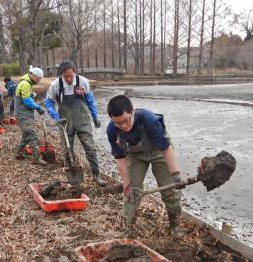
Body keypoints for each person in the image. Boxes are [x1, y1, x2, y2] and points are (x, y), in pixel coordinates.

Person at [106, 95, 183, 239]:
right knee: (132, 193)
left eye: (126, 120)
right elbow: (120, 158)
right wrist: (126, 183)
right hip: (135, 155)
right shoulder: (112, 130)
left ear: (132, 111)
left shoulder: (149, 120)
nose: (123, 126)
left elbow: (166, 148)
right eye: (118, 123)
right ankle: (127, 227)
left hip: (159, 152)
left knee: (170, 190)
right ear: (112, 120)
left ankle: (175, 224)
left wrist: (175, 174)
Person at [44, 60, 107, 186]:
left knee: (90, 148)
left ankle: (96, 175)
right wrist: (55, 115)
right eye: (65, 76)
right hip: (64, 122)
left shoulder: (83, 82)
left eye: (70, 76)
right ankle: (72, 173)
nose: (68, 79)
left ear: (74, 72)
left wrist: (95, 116)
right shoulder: (56, 85)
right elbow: (48, 101)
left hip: (82, 120)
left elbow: (90, 100)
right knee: (67, 150)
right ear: (61, 75)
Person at [14, 66, 47, 166]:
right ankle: (36, 158)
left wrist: (36, 106)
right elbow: (27, 101)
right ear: (33, 75)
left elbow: (29, 98)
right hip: (23, 114)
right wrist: (38, 107)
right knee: (32, 134)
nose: (39, 80)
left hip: (25, 113)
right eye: (38, 78)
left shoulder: (28, 83)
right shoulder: (25, 84)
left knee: (26, 134)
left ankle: (18, 152)